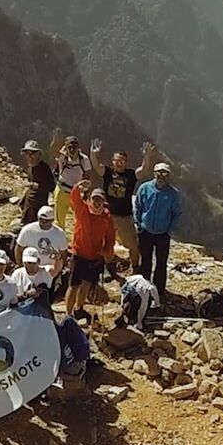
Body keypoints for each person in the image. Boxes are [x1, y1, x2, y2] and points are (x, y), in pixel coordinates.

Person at [89, 139, 159, 272]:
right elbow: (97, 167)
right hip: (107, 215)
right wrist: (93, 155)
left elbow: (143, 171)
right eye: (117, 160)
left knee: (132, 245)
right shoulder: (108, 172)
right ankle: (109, 267)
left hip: (124, 216)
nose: (119, 163)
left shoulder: (131, 175)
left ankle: (136, 268)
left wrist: (147, 157)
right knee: (106, 243)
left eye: (122, 160)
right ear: (112, 161)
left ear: (126, 163)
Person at [67, 183, 115, 320]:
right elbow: (74, 198)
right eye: (95, 199)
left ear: (103, 201)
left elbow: (110, 236)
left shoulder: (106, 217)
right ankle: (68, 315)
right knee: (74, 285)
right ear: (90, 199)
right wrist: (78, 187)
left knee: (86, 284)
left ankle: (79, 309)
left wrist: (107, 251)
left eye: (100, 200)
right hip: (79, 253)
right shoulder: (83, 210)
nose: (97, 202)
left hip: (95, 255)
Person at [134, 162, 182, 296]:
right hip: (145, 231)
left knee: (161, 263)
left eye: (164, 173)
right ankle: (144, 288)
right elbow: (137, 206)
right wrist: (138, 223)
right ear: (154, 173)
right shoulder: (144, 188)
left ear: (168, 175)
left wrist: (169, 230)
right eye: (159, 172)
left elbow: (176, 213)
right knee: (145, 261)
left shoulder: (173, 194)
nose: (161, 175)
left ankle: (158, 291)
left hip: (162, 234)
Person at [53, 135, 96, 228]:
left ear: (78, 147)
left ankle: (77, 240)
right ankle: (61, 241)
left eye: (74, 147)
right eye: (69, 147)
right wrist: (55, 140)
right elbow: (53, 151)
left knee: (79, 220)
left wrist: (86, 192)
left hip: (76, 192)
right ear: (66, 148)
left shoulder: (84, 159)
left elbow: (87, 176)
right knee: (59, 221)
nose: (72, 150)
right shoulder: (62, 158)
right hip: (62, 191)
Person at [19, 140, 56, 225]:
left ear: (38, 154)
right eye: (27, 153)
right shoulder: (30, 168)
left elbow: (51, 187)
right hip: (29, 205)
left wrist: (38, 186)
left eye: (32, 153)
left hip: (40, 205)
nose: (29, 156)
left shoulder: (44, 168)